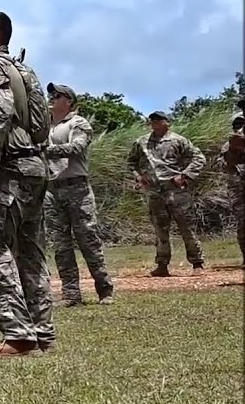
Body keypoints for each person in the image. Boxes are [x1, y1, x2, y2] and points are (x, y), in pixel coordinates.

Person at [0, 10, 54, 358]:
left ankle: (18, 337)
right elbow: (43, 126)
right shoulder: (24, 70)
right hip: (34, 167)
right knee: (30, 252)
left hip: (7, 171)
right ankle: (42, 333)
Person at [41, 83, 114, 306]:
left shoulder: (78, 123)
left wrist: (43, 150)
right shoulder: (44, 126)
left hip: (77, 189)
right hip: (52, 189)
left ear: (69, 101)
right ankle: (71, 294)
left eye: (57, 95)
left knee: (88, 240)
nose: (51, 98)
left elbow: (76, 148)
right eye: (50, 95)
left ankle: (104, 289)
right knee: (60, 245)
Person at [127, 111, 207, 276]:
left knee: (186, 227)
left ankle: (197, 263)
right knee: (160, 229)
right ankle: (162, 265)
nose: (155, 123)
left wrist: (184, 175)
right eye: (153, 120)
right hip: (155, 191)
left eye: (159, 120)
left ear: (167, 122)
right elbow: (131, 162)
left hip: (176, 191)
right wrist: (139, 177)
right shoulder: (141, 142)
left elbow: (198, 158)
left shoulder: (178, 140)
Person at [217, 109, 245, 266]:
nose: (240, 127)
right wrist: (234, 150)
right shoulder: (229, 145)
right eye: (237, 124)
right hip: (238, 189)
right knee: (242, 223)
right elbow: (222, 166)